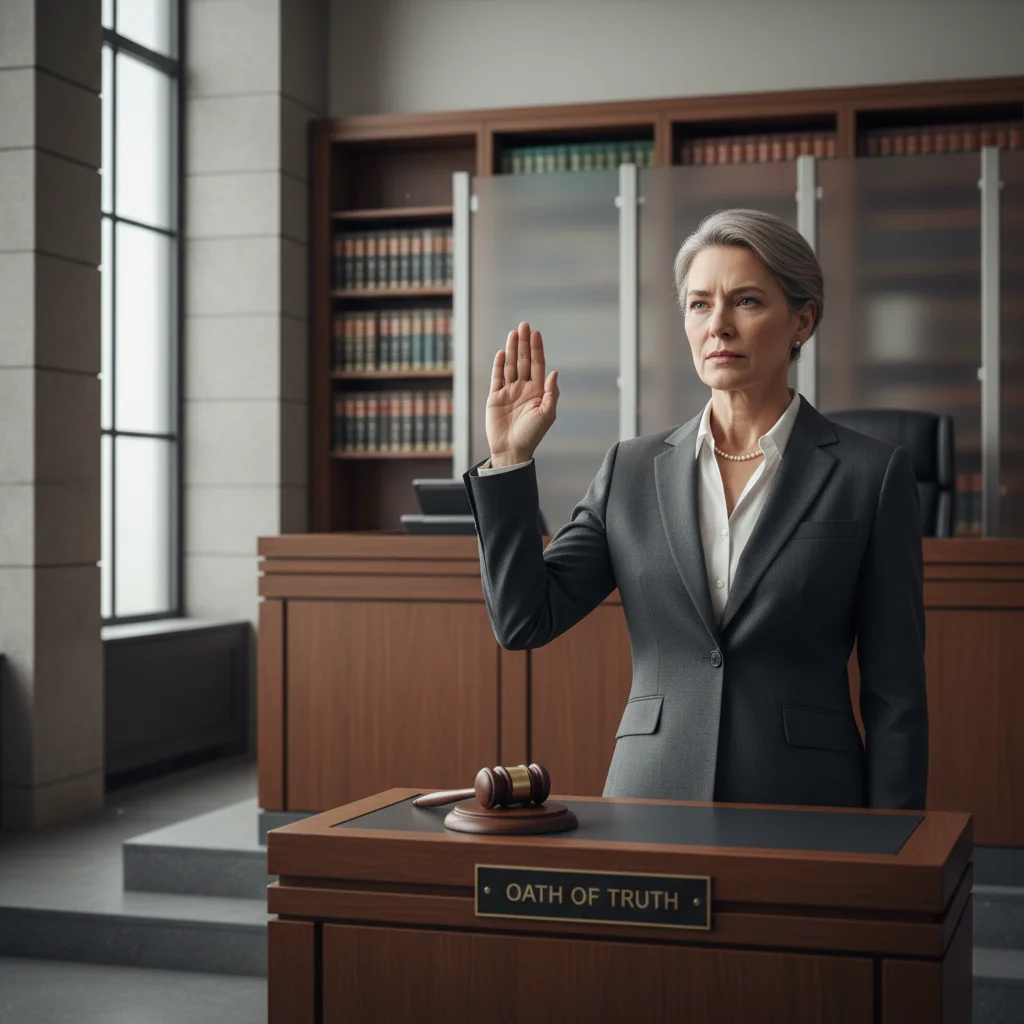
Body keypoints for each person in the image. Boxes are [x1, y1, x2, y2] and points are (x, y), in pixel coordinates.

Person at [462, 208, 928, 811]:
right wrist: (508, 461)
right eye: (700, 304)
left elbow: (897, 695)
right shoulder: (630, 469)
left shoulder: (871, 475)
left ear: (802, 320)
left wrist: (898, 850)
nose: (720, 327)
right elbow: (524, 620)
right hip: (650, 795)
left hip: (807, 804)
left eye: (748, 302)